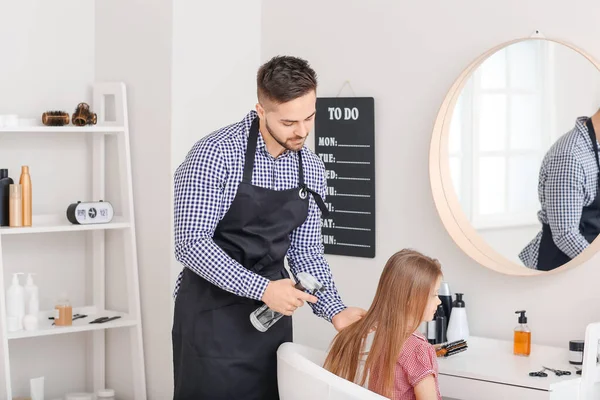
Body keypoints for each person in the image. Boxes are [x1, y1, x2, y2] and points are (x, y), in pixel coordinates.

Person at [172, 55, 366, 400]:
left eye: (310, 117)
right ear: (261, 110)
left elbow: (305, 252)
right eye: (290, 122)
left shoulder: (311, 167)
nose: (303, 131)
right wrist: (263, 289)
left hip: (270, 324)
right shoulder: (215, 155)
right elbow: (190, 243)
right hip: (210, 320)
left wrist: (334, 309)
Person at [323, 249, 443, 400]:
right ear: (410, 299)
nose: (439, 301)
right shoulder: (418, 349)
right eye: (434, 294)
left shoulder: (382, 337)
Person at [520, 110, 600, 271]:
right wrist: (595, 268)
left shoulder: (595, 148)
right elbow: (565, 235)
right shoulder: (570, 156)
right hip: (562, 268)